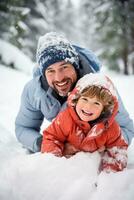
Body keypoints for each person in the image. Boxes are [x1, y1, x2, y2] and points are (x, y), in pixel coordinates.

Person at [15, 32, 134, 153]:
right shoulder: (34, 91)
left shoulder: (99, 87)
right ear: (44, 74)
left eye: (64, 67)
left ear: (75, 66)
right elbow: (23, 128)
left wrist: (97, 146)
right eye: (50, 70)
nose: (59, 77)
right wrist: (46, 144)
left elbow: (127, 129)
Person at [41, 73, 128, 173]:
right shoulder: (65, 119)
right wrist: (54, 163)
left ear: (104, 109)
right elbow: (51, 137)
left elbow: (118, 150)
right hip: (68, 169)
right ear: (76, 99)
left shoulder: (110, 127)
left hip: (92, 172)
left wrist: (109, 174)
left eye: (96, 103)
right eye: (85, 99)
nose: (88, 107)